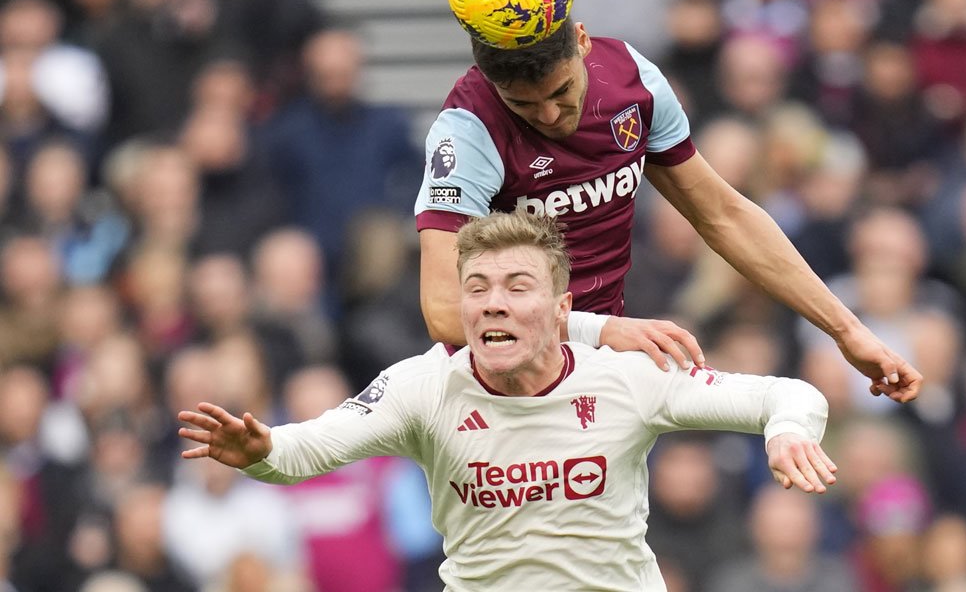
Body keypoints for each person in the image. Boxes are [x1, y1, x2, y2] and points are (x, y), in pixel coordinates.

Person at [178, 209, 837, 591]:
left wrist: (786, 431)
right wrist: (259, 451)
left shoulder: (625, 377)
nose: (493, 301)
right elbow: (304, 448)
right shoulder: (424, 387)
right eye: (478, 287)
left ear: (560, 310)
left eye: (517, 286)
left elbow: (789, 393)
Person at [415, 0, 920, 402]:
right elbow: (443, 312)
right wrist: (600, 329)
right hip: (502, 387)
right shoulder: (468, 129)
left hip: (601, 374)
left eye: (562, 92)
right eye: (524, 106)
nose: (550, 117)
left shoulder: (634, 81)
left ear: (583, 40)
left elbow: (723, 215)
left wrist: (847, 331)